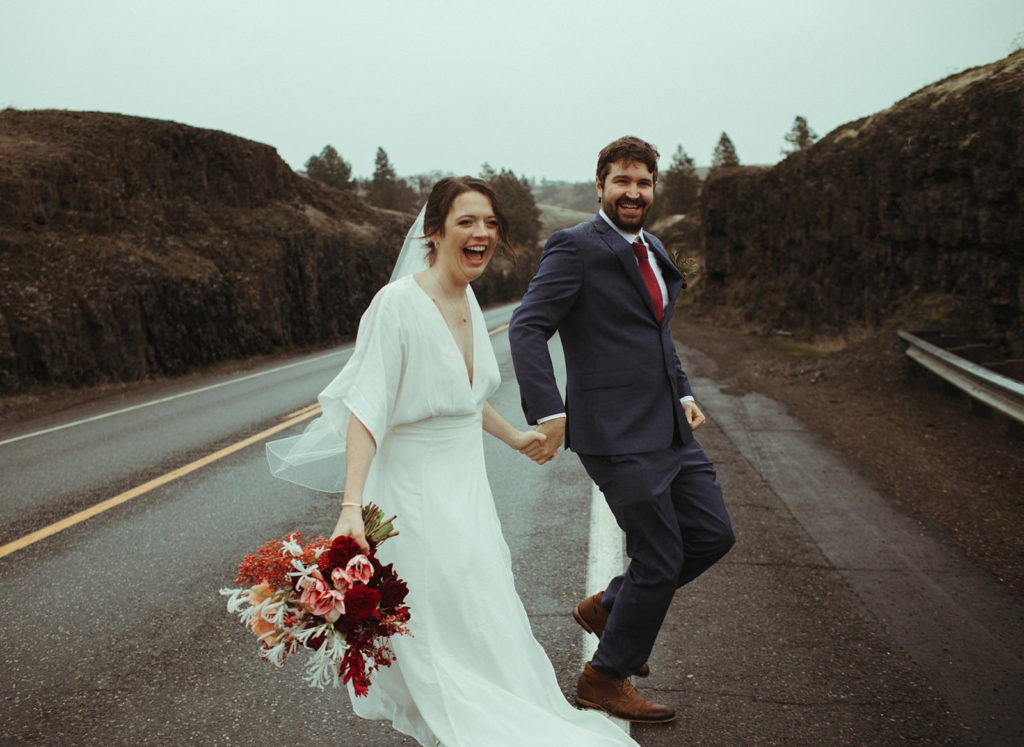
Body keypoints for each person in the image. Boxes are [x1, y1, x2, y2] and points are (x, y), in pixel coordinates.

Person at [267, 177, 637, 746]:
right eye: (467, 221)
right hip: (412, 497)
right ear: (434, 232)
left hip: (467, 492)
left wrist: (514, 437)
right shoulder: (396, 306)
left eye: (490, 223)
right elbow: (367, 410)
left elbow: (461, 396)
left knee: (479, 610)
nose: (482, 233)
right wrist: (349, 508)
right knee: (436, 624)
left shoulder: (466, 297)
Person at [508, 137, 735, 724]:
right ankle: (604, 678)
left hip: (668, 426)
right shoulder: (575, 247)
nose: (633, 192)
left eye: (644, 182)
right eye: (622, 181)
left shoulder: (653, 246)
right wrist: (549, 411)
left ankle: (611, 603)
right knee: (660, 557)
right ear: (602, 186)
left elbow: (658, 333)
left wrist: (683, 391)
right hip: (614, 433)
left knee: (712, 535)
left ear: (654, 188)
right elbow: (529, 327)